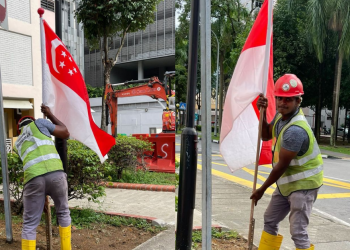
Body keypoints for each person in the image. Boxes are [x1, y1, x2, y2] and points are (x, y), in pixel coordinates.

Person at [250, 74, 323, 250]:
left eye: (288, 99)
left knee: (298, 231)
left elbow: (281, 167)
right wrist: (262, 113)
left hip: (304, 185)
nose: (283, 102)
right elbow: (266, 135)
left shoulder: (296, 130)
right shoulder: (280, 116)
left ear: (298, 101)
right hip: (287, 184)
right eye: (279, 98)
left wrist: (261, 190)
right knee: (270, 219)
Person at [15, 104, 71, 250]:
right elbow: (65, 132)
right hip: (56, 175)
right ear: (32, 121)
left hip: (33, 180)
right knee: (63, 212)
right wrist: (50, 114)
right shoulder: (39, 123)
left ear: (19, 129)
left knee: (29, 224)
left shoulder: (18, 143)